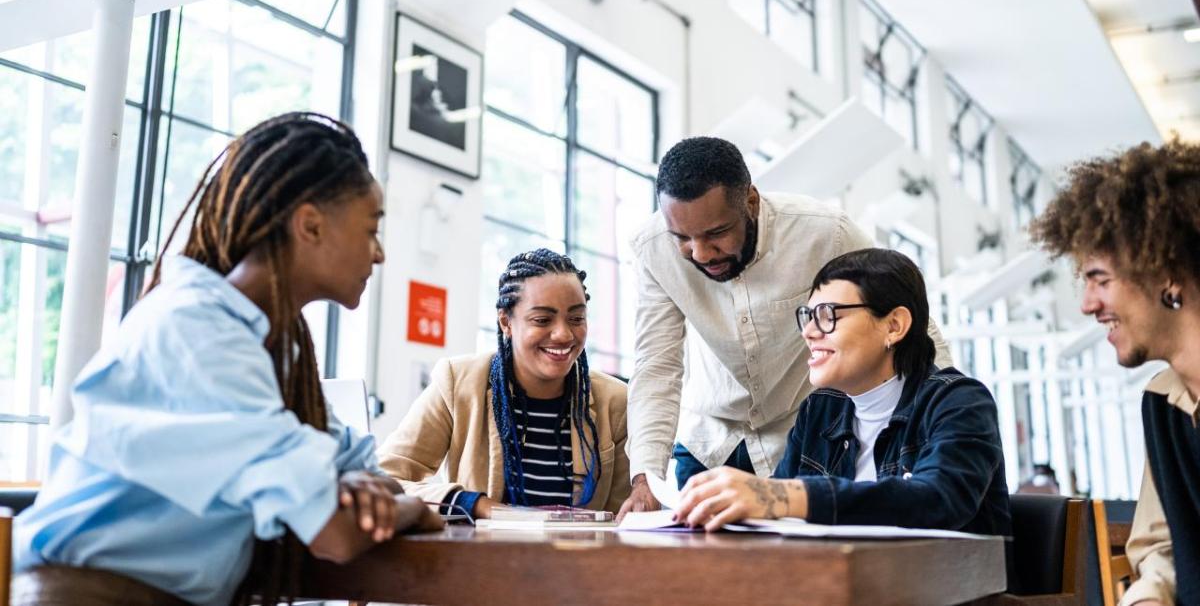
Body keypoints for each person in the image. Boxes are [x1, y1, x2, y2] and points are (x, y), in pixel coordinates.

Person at [13, 112, 440, 606]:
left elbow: (363, 468)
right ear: (310, 226)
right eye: (371, 230)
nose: (379, 253)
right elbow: (335, 534)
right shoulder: (198, 334)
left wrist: (357, 485)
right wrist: (411, 511)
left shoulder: (273, 354)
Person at [618, 137, 952, 518]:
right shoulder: (651, 249)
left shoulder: (827, 234)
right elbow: (656, 366)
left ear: (751, 202)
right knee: (708, 571)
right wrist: (645, 479)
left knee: (797, 566)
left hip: (800, 439)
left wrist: (943, 414)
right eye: (682, 238)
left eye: (715, 234)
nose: (700, 253)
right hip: (710, 441)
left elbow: (908, 317)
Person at [673, 249, 1011, 545]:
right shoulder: (821, 409)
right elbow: (777, 515)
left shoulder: (959, 401)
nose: (809, 331)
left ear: (894, 325)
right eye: (807, 316)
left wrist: (780, 496)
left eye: (828, 315)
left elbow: (939, 499)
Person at [1028, 139, 1200, 606]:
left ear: (1166, 275)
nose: (1087, 305)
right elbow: (1165, 547)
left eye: (1101, 280)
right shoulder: (1165, 405)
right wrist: (1147, 597)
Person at [378, 248, 631, 518]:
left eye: (576, 318)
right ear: (505, 322)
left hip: (580, 557)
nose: (563, 334)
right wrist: (472, 503)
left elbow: (624, 518)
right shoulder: (458, 382)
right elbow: (384, 479)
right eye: (542, 320)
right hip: (485, 557)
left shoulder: (614, 401)